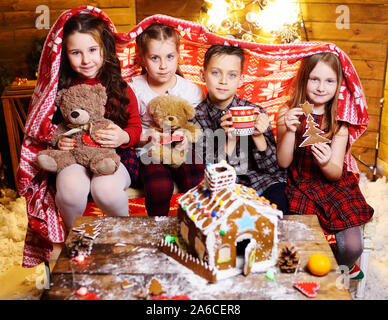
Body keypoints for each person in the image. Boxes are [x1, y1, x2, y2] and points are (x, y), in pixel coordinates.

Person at [276, 52, 374, 279]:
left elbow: (335, 172)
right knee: (297, 245)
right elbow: (283, 162)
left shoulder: (339, 123)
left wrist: (327, 162)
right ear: (304, 79)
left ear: (338, 85)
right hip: (301, 183)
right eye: (315, 79)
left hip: (333, 185)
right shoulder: (288, 112)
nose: (321, 87)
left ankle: (339, 268)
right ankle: (309, 274)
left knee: (352, 246)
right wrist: (290, 130)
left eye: (329, 81)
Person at [53, 14, 142, 231]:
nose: (86, 60)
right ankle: (77, 240)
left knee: (105, 190)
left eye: (92, 50)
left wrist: (124, 136)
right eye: (76, 53)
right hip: (75, 155)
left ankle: (127, 236)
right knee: (70, 191)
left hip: (115, 156)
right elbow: (50, 128)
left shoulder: (120, 87)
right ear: (65, 55)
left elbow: (136, 128)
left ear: (104, 49)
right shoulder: (59, 89)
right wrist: (58, 141)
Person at [194, 45, 288, 214]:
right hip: (224, 188)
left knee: (279, 208)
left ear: (241, 80)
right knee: (229, 222)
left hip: (262, 183)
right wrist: (229, 141)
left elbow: (274, 169)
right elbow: (207, 174)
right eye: (216, 73)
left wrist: (258, 136)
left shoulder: (256, 112)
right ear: (202, 75)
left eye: (232, 75)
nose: (223, 81)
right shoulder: (196, 118)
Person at [131, 23, 205, 216]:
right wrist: (147, 136)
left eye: (169, 57)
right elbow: (129, 129)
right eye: (155, 58)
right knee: (159, 186)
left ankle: (195, 226)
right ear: (143, 59)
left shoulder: (191, 90)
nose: (163, 65)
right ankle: (159, 230)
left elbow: (197, 126)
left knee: (197, 178)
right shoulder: (134, 88)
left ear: (178, 56)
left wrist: (187, 136)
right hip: (150, 150)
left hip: (182, 149)